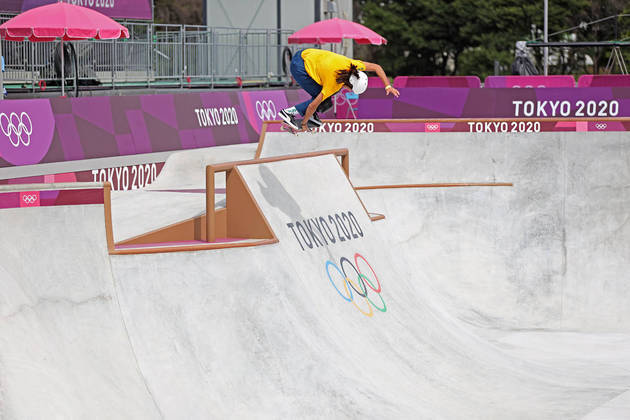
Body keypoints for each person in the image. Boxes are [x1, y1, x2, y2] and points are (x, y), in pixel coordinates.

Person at [279, 48, 400, 132]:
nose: (348, 91)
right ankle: (288, 112)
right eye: (351, 90)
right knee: (320, 99)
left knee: (326, 98)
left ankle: (311, 116)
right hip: (299, 67)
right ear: (349, 85)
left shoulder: (353, 65)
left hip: (305, 54)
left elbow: (376, 67)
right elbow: (312, 105)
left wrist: (388, 86)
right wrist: (304, 123)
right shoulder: (333, 84)